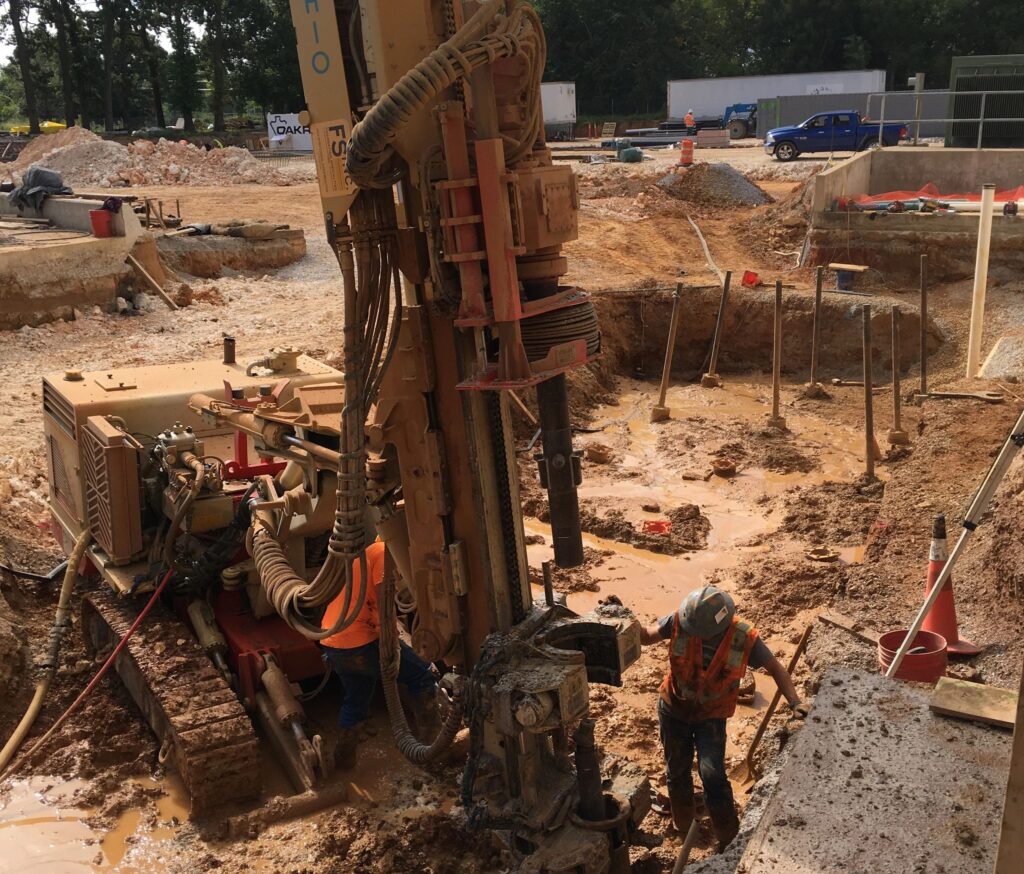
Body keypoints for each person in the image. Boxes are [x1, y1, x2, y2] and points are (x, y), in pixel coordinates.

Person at [640, 585, 807, 851]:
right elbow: (647, 636)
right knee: (677, 770)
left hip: (711, 717)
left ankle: (728, 837)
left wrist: (795, 703)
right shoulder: (681, 620)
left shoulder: (743, 638)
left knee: (713, 774)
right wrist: (625, 621)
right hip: (674, 708)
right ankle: (683, 827)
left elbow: (775, 668)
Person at [320, 540, 440, 769]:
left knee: (357, 698)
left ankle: (344, 762)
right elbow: (383, 599)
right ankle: (433, 745)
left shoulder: (368, 554)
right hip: (360, 639)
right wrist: (393, 643)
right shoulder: (386, 552)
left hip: (333, 641)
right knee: (422, 674)